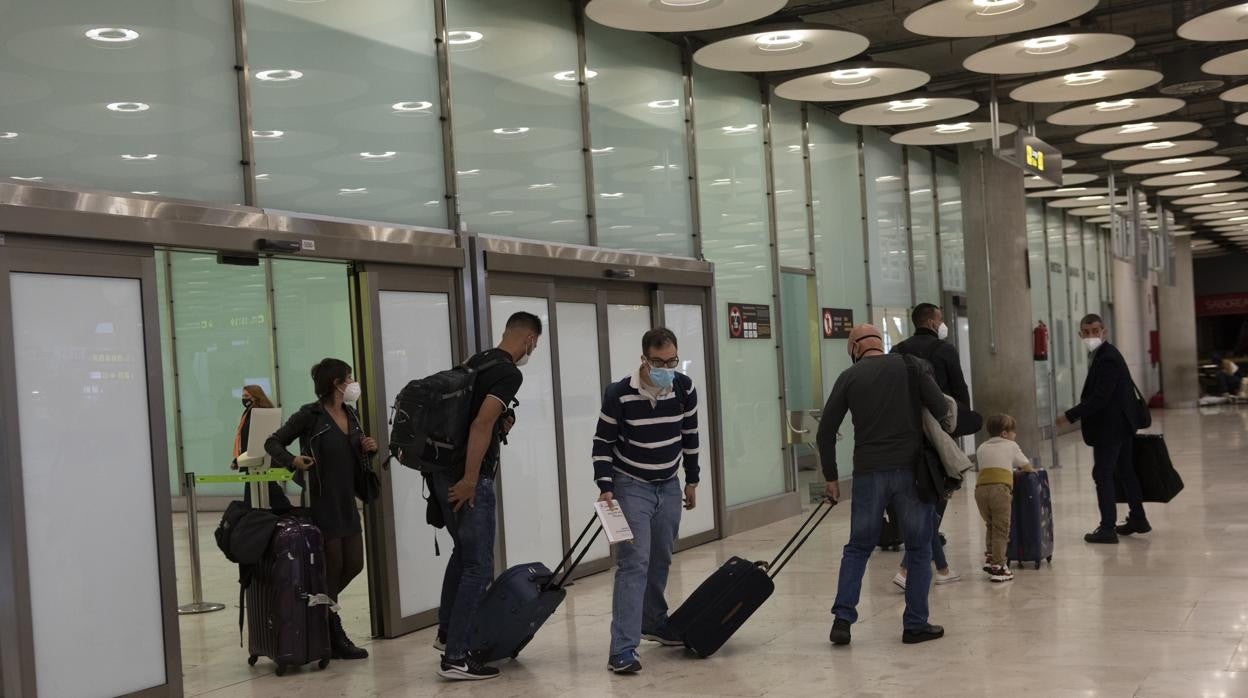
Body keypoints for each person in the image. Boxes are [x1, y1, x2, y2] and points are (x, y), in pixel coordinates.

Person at [818, 324, 949, 646]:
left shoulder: (850, 377)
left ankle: (843, 620)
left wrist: (831, 478)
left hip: (868, 473)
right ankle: (915, 624)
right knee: (918, 548)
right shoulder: (911, 366)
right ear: (880, 343)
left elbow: (825, 432)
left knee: (858, 547)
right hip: (911, 472)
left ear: (854, 348)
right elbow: (943, 409)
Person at [432, 312, 541, 681]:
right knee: (478, 566)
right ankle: (456, 658)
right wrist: (470, 478)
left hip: (439, 471)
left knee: (463, 556)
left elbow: (476, 418)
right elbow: (480, 423)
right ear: (528, 339)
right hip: (467, 478)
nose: (532, 350)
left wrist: (500, 424)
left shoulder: (475, 361)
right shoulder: (509, 372)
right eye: (535, 344)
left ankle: (447, 633)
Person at [594, 327, 700, 675]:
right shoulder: (619, 394)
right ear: (644, 359)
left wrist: (693, 480)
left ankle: (653, 621)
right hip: (630, 485)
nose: (667, 367)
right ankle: (622, 649)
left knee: (661, 559)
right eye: (659, 362)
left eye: (672, 360)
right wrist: (605, 485)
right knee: (633, 563)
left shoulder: (684, 388)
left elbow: (690, 436)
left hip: (669, 484)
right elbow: (602, 444)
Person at [265, 359, 378, 661]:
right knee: (333, 565)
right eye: (349, 377)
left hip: (347, 500)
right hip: (322, 500)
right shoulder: (310, 415)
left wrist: (368, 447)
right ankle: (332, 627)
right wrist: (293, 461)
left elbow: (352, 451)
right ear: (336, 382)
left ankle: (314, 609)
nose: (353, 381)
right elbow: (273, 442)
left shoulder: (351, 414)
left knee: (354, 563)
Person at [892, 303, 968, 590]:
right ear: (933, 322)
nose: (943, 322)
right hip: (938, 435)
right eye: (940, 318)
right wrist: (958, 426)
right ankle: (906, 569)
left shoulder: (897, 350)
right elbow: (959, 392)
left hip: (906, 435)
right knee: (934, 503)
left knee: (924, 504)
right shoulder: (945, 350)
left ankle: (944, 568)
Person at [1057, 314, 1150, 544]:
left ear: (1104, 331)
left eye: (1095, 331)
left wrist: (1070, 415)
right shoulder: (1102, 354)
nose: (1091, 336)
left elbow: (1101, 397)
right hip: (1122, 424)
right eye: (1086, 332)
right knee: (1126, 472)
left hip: (1111, 428)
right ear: (1080, 334)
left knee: (1103, 474)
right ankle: (1138, 518)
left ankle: (1107, 528)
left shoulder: (1106, 357)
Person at [975, 414, 1035, 583]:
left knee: (991, 525)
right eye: (1013, 431)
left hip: (980, 491)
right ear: (1004, 434)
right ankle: (999, 567)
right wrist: (1032, 470)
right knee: (1001, 529)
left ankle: (991, 557)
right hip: (999, 491)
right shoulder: (1011, 445)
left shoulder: (981, 447)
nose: (1015, 434)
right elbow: (1024, 465)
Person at [231, 384, 291, 512]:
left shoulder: (261, 413)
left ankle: (285, 514)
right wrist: (238, 458)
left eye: (247, 396)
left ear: (256, 397)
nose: (244, 399)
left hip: (260, 459)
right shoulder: (249, 413)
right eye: (243, 396)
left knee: (258, 496)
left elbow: (258, 438)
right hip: (253, 459)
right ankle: (285, 513)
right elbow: (247, 438)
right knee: (262, 494)